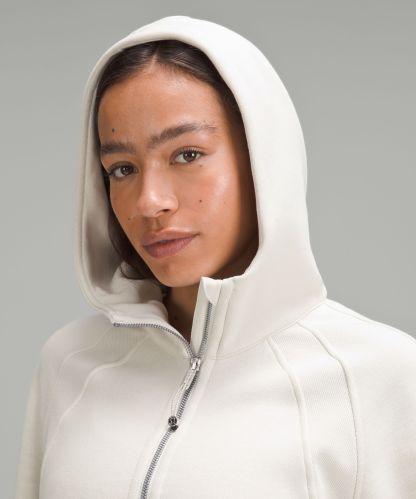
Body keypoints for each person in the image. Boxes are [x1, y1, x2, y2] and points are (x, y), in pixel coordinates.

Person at [15, 15, 416, 499]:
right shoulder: (70, 363)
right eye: (122, 168)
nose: (150, 201)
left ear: (262, 157)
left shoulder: (381, 378)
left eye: (187, 155)